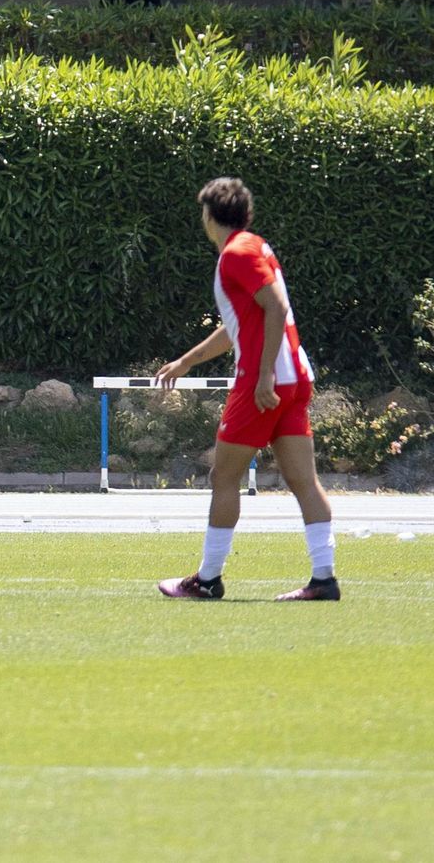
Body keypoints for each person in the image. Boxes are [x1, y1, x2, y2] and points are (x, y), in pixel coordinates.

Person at [154, 178, 340, 601]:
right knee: (303, 481)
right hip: (295, 377)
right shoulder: (254, 246)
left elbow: (274, 305)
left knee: (224, 476)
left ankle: (207, 579)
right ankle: (324, 579)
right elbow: (244, 321)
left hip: (264, 382)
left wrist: (262, 378)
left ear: (207, 215)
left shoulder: (235, 253)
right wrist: (188, 360)